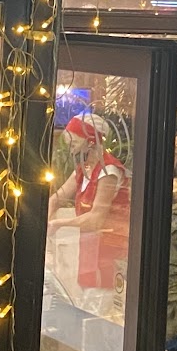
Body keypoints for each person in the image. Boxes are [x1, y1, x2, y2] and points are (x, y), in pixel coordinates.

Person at [51, 112, 131, 307]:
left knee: (100, 300)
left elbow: (96, 219)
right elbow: (57, 198)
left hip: (109, 248)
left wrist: (58, 223)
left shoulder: (108, 172)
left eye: (74, 142)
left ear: (91, 142)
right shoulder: (84, 168)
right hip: (90, 244)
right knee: (87, 293)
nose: (70, 148)